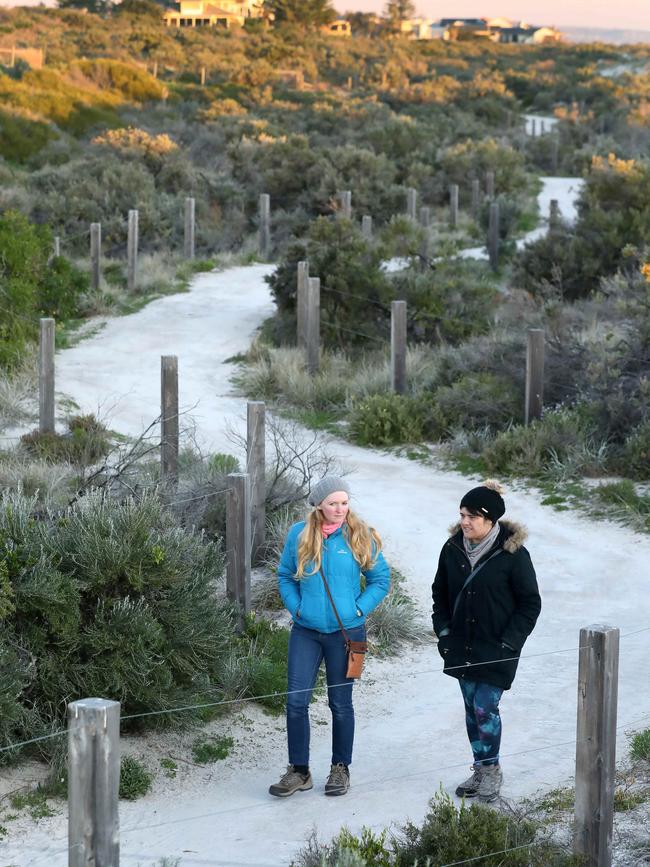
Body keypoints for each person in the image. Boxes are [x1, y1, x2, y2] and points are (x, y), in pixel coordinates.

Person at [269, 476, 390, 798]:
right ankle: (299, 771)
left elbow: (380, 579)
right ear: (319, 504)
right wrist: (297, 609)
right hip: (306, 632)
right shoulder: (299, 534)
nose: (340, 509)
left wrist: (359, 610)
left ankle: (340, 769)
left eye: (344, 502)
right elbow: (284, 576)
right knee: (295, 701)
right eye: (333, 502)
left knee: (341, 704)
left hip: (349, 634)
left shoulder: (360, 535)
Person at [431, 480, 541, 802]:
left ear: (490, 520)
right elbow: (439, 593)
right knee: (469, 708)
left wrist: (510, 642)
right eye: (462, 514)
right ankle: (480, 768)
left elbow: (530, 604)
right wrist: (444, 631)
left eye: (473, 516)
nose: (465, 522)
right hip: (461, 644)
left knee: (484, 707)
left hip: (498, 647)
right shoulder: (452, 549)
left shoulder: (514, 555)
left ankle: (492, 771)